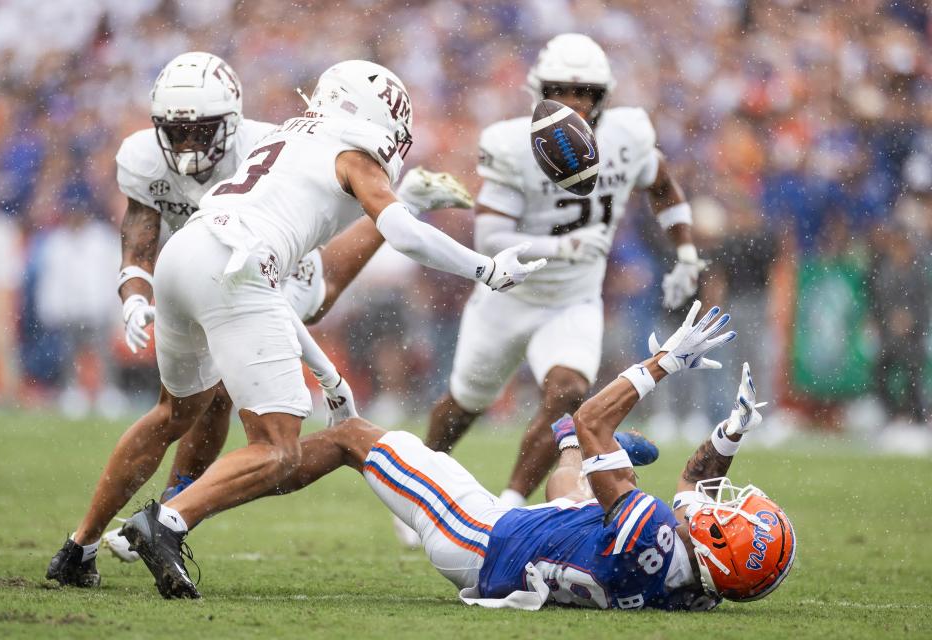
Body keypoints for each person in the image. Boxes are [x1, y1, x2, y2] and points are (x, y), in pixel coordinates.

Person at [111, 59, 544, 599]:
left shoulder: (291, 135)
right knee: (277, 447)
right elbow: (402, 236)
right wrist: (487, 268)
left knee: (181, 410)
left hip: (187, 257)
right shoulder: (349, 154)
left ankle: (106, 535)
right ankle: (166, 521)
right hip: (239, 266)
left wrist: (331, 380)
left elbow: (277, 296)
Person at [273, 302, 795, 610]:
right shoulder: (697, 585)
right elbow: (694, 487)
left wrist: (663, 362)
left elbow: (595, 418)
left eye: (732, 512)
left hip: (477, 537)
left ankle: (216, 490)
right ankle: (570, 448)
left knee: (355, 437)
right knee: (577, 497)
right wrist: (730, 435)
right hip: (523, 553)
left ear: (721, 539)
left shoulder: (653, 530)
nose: (725, 501)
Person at [423, 34, 705, 515]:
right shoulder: (512, 143)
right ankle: (419, 481)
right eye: (562, 91)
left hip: (574, 299)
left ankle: (506, 506)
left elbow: (661, 184)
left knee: (570, 392)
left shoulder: (627, 134)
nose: (574, 103)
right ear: (539, 91)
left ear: (604, 96)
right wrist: (562, 246)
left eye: (586, 93)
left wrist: (686, 253)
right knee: (467, 401)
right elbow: (490, 238)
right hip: (507, 295)